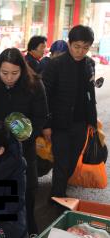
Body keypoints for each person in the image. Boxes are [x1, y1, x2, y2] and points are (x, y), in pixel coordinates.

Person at [0, 48, 48, 235]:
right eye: (4, 73)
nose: (9, 78)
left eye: (15, 73)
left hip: (25, 148)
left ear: (23, 70)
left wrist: (28, 135)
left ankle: (29, 232)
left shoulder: (34, 84)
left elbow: (41, 116)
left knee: (27, 192)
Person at [42, 25, 97, 197]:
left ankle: (60, 189)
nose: (81, 51)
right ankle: (57, 197)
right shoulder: (55, 64)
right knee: (62, 162)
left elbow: (90, 92)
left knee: (73, 162)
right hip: (60, 123)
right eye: (77, 46)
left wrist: (92, 121)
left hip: (80, 122)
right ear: (69, 44)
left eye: (85, 47)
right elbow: (45, 97)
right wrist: (46, 124)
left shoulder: (90, 64)